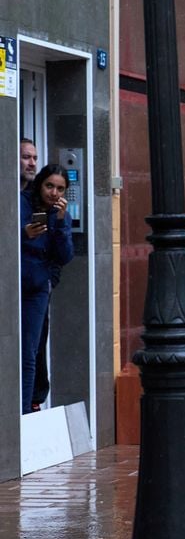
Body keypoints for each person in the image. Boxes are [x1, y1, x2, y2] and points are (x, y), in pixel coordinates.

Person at [20, 164, 74, 415]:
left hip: (38, 288)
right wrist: (24, 234)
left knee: (30, 351)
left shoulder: (61, 215)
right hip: (14, 282)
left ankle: (25, 410)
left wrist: (61, 222)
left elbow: (64, 256)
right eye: (49, 186)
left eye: (60, 189)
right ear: (40, 184)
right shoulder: (21, 203)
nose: (54, 193)